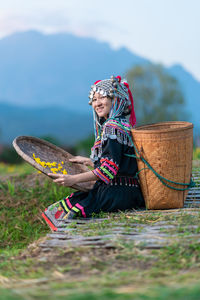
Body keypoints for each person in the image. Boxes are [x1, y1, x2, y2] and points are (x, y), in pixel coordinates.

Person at [42, 75, 145, 231]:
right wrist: (90, 161)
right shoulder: (124, 124)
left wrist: (72, 179)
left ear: (116, 99)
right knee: (68, 204)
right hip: (130, 191)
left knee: (62, 211)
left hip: (115, 193)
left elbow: (108, 170)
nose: (97, 103)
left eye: (102, 97)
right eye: (94, 99)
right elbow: (122, 161)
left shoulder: (112, 127)